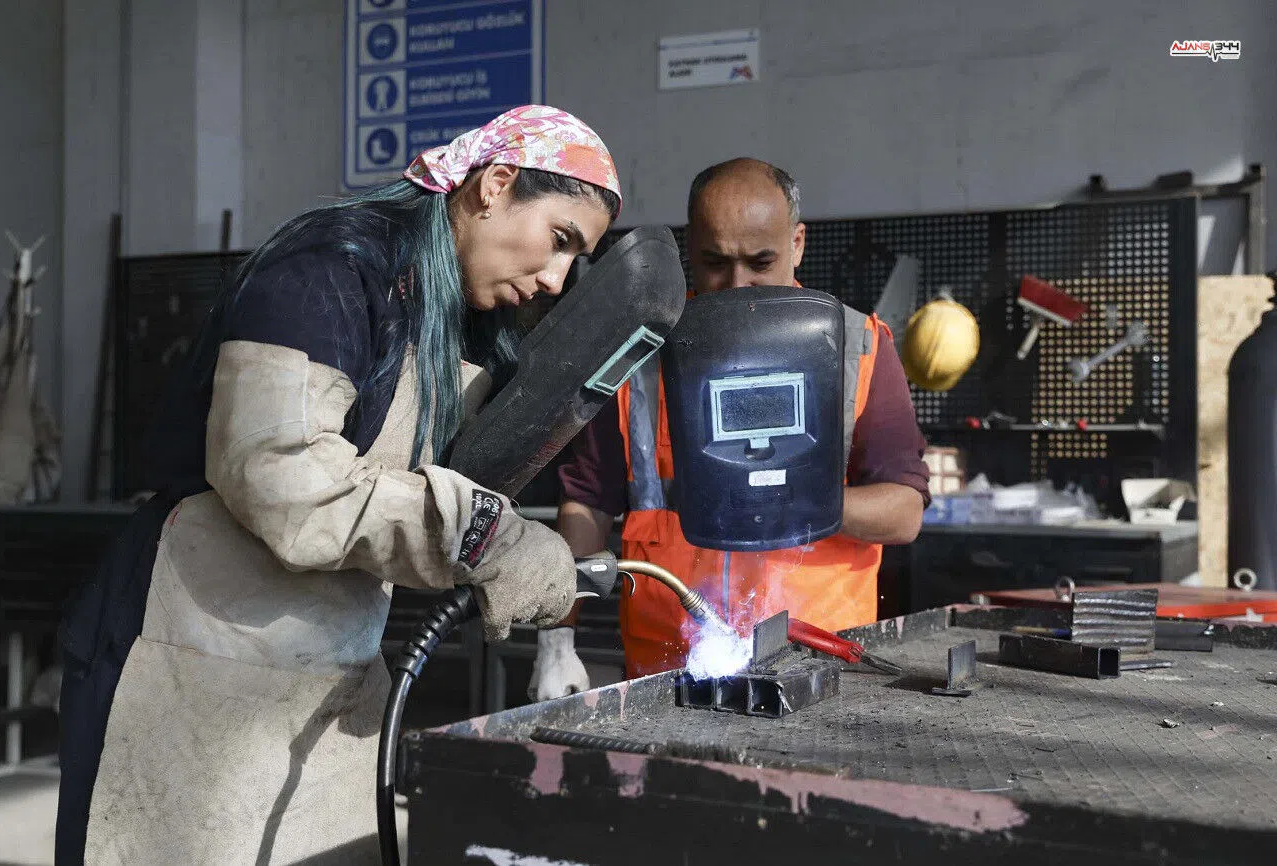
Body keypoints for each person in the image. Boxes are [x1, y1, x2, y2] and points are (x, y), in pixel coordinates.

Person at [55, 105, 621, 865]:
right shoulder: (331, 264)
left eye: (575, 261)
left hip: (329, 665)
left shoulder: (461, 324)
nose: (556, 278)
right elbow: (280, 478)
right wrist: (480, 536)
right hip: (185, 652)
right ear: (496, 184)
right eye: (559, 241)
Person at [529, 157, 928, 699]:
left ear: (798, 243)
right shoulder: (638, 355)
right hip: (669, 671)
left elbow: (903, 513)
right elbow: (587, 504)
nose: (737, 285)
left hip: (821, 673)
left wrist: (795, 498)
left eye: (760, 261)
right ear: (689, 249)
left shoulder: (860, 346)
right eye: (715, 263)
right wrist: (557, 639)